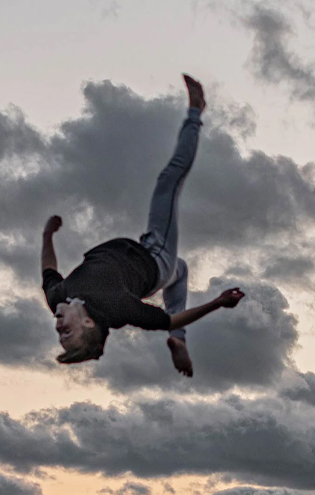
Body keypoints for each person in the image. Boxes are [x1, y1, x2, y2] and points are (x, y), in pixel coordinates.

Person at [41, 74, 244, 377]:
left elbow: (48, 269)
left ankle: (180, 343)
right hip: (155, 256)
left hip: (148, 264)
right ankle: (196, 112)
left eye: (59, 336)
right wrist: (218, 302)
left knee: (182, 270)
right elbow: (169, 320)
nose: (58, 329)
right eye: (67, 334)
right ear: (87, 323)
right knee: (169, 181)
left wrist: (47, 235)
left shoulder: (58, 297)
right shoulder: (118, 308)